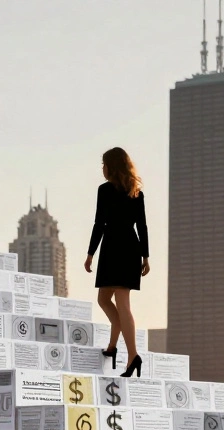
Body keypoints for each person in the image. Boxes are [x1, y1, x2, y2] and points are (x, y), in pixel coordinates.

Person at [85, 147, 150, 378]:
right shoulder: (136, 192)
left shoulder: (105, 191)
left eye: (104, 164)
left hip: (115, 247)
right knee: (104, 299)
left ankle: (132, 355)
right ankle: (113, 347)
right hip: (127, 248)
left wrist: (90, 253)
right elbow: (142, 227)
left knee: (122, 304)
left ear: (111, 166)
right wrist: (145, 256)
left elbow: (99, 224)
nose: (102, 168)